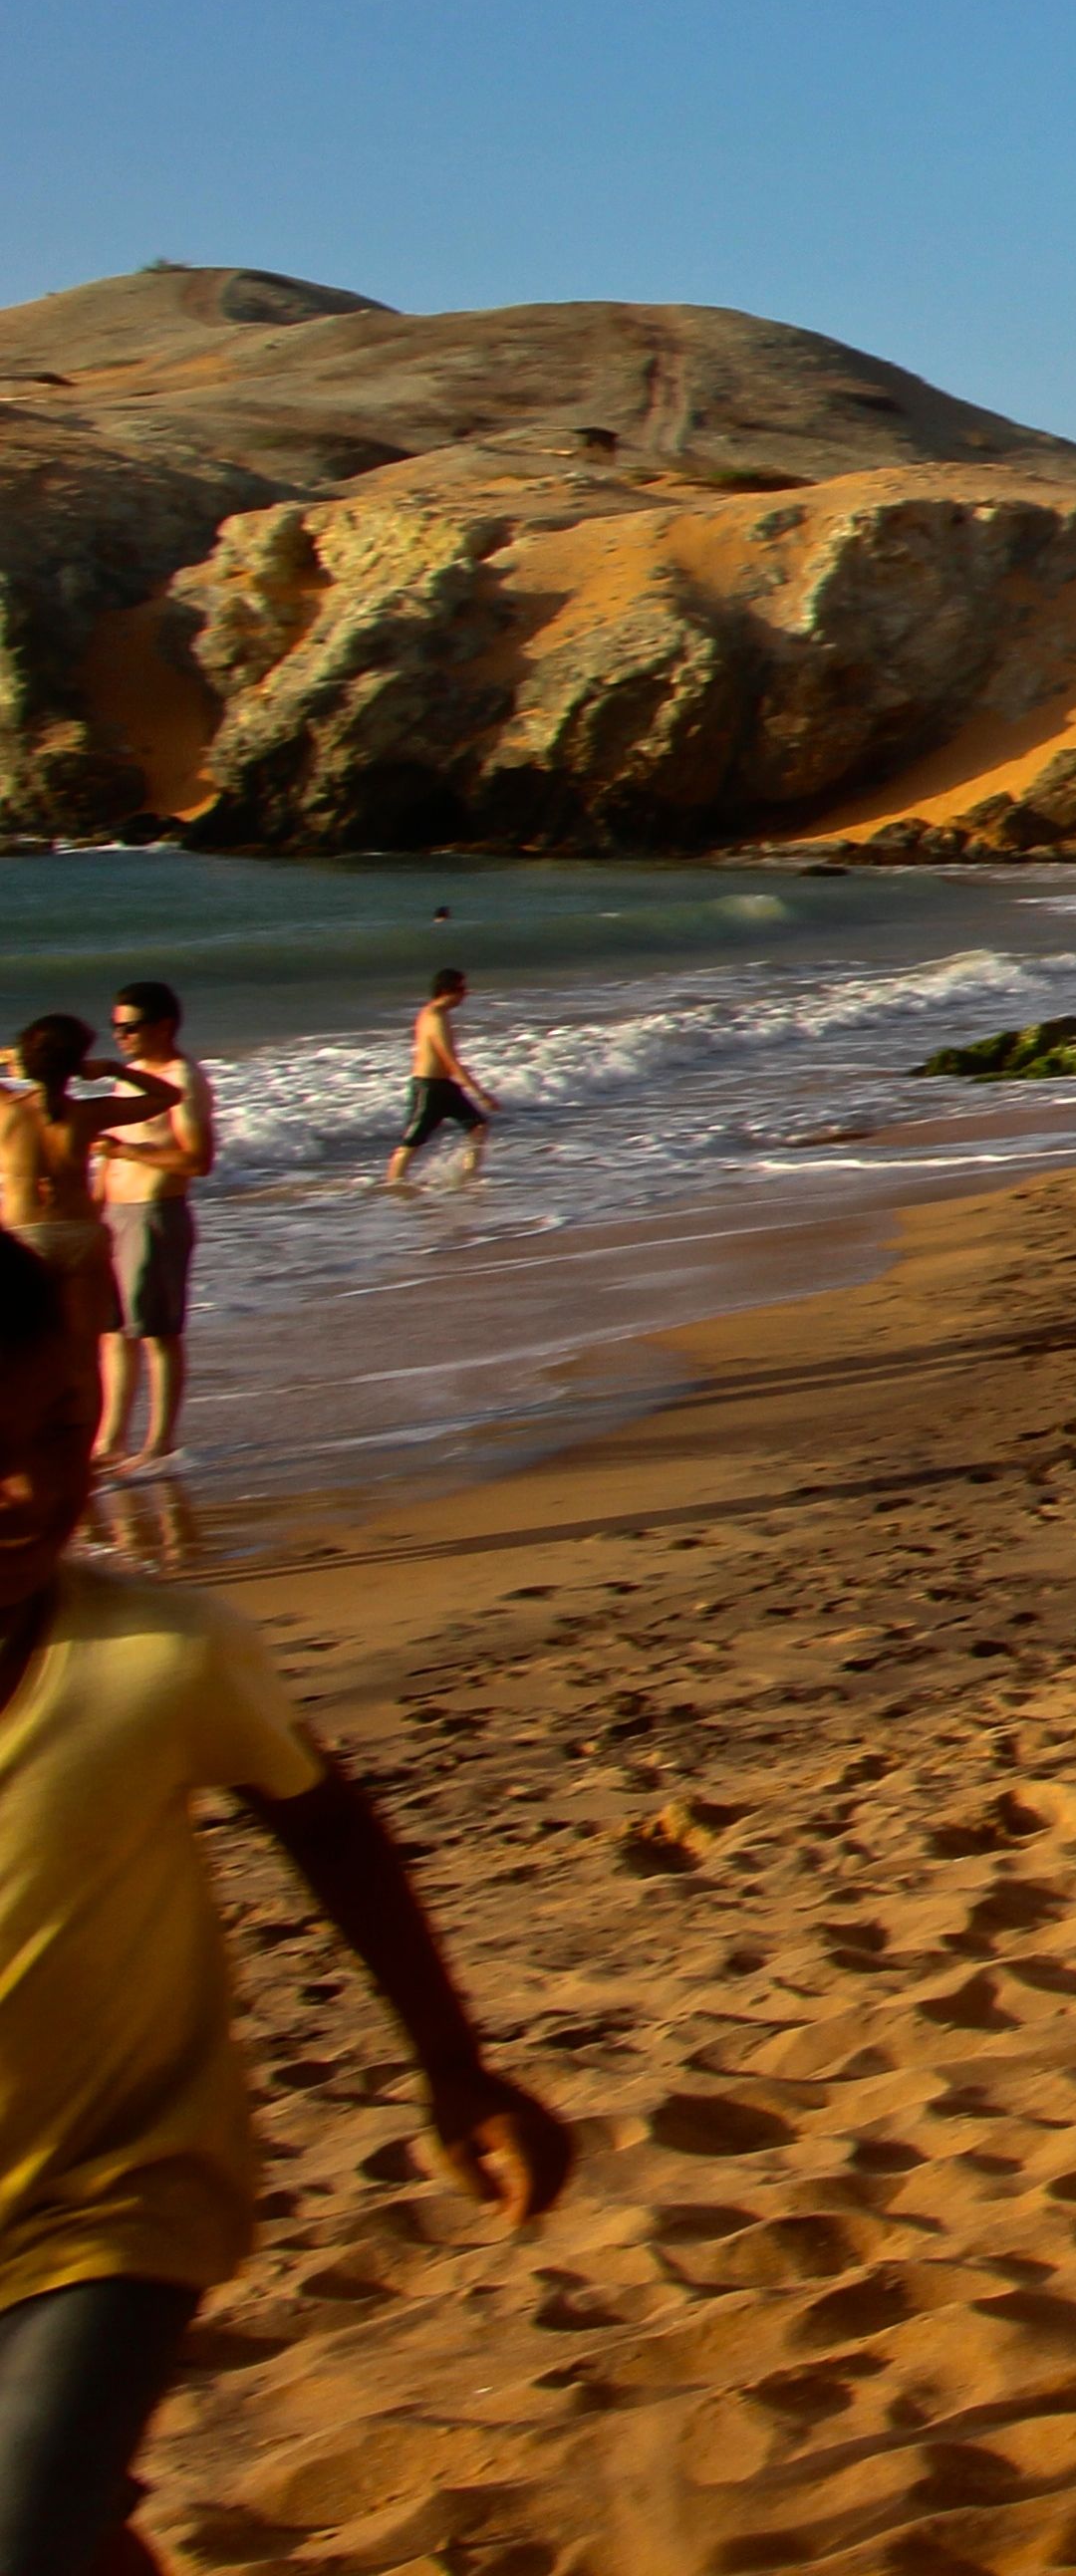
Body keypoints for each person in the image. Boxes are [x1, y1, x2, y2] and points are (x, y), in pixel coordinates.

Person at [0, 1239, 577, 2573]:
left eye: (58, 1432)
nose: (32, 1485)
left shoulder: (159, 1660)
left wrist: (456, 2070)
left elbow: (328, 1827)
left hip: (118, 2199)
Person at [92, 985, 215, 1476]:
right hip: (117, 1214)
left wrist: (128, 1155)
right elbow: (111, 1146)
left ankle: (159, 1442)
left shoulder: (181, 1077)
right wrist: (97, 1203)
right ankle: (110, 1439)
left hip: (156, 1211)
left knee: (156, 1333)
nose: (119, 1036)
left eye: (129, 1027)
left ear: (163, 1026)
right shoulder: (134, 1078)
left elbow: (198, 1159)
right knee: (113, 1333)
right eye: (116, 1027)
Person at [0, 1022, 172, 1350]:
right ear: (76, 1064)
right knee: (84, 1353)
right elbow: (168, 1095)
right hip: (82, 1233)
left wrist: (7, 1058)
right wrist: (113, 1069)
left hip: (25, 1238)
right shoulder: (89, 1113)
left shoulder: (6, 1111)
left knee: (23, 1354)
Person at [378, 971, 496, 1190]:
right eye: (461, 989)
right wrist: (480, 1094)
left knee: (478, 1127)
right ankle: (392, 1186)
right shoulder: (434, 1016)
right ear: (446, 991)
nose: (465, 995)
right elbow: (450, 1061)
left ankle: (466, 1179)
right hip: (429, 1087)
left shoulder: (440, 1014)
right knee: (411, 1142)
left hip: (445, 1086)